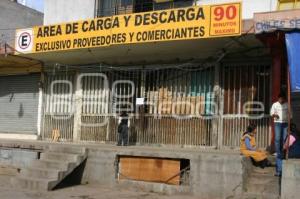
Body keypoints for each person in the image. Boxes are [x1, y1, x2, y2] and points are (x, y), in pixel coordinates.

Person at [270, 92, 289, 176]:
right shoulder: (275, 104)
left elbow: (290, 115)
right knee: (277, 138)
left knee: (284, 138)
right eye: (280, 98)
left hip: (285, 123)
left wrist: (289, 122)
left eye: (282, 99)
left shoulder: (287, 105)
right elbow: (271, 113)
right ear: (278, 98)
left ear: (284, 99)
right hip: (277, 123)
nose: (281, 100)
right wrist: (275, 115)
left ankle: (283, 151)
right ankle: (278, 151)